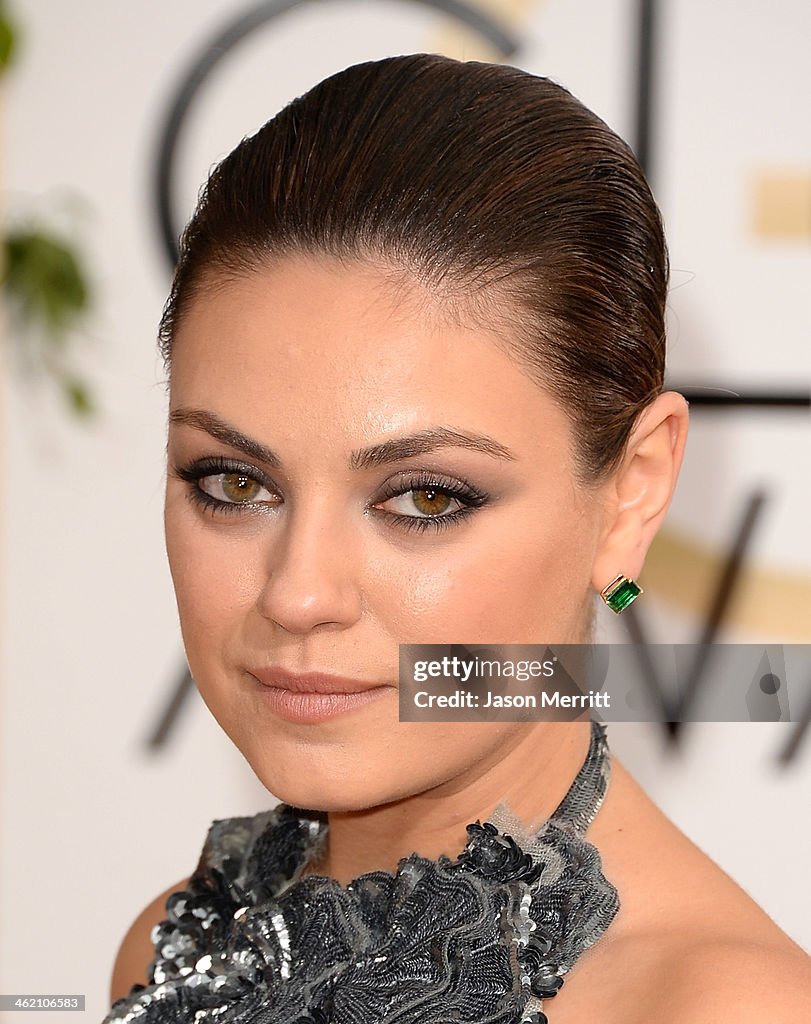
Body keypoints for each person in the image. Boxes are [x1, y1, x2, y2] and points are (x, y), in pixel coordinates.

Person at [105, 53, 809, 1023]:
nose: (298, 593)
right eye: (234, 482)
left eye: (425, 498)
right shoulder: (172, 951)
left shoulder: (725, 1008)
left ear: (632, 494)